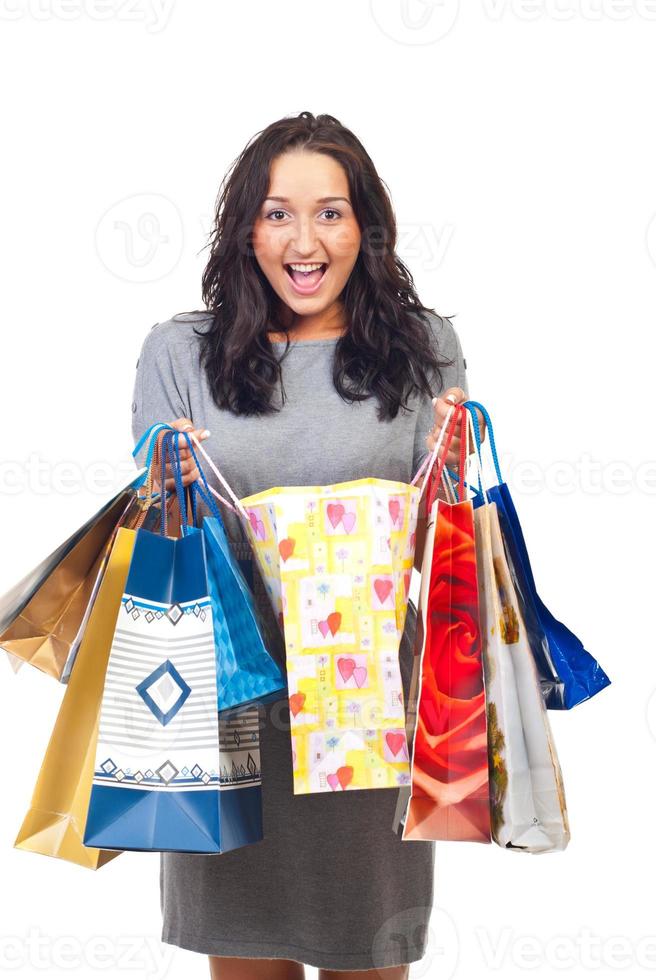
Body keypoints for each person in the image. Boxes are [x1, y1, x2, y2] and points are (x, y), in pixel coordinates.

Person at [131, 111, 481, 980]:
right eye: (279, 212)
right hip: (232, 690)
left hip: (366, 696)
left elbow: (441, 541)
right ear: (247, 226)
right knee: (245, 956)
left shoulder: (423, 350)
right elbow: (156, 536)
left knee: (369, 952)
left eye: (331, 212)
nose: (304, 238)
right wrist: (162, 485)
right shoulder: (182, 353)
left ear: (366, 226)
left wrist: (454, 466)